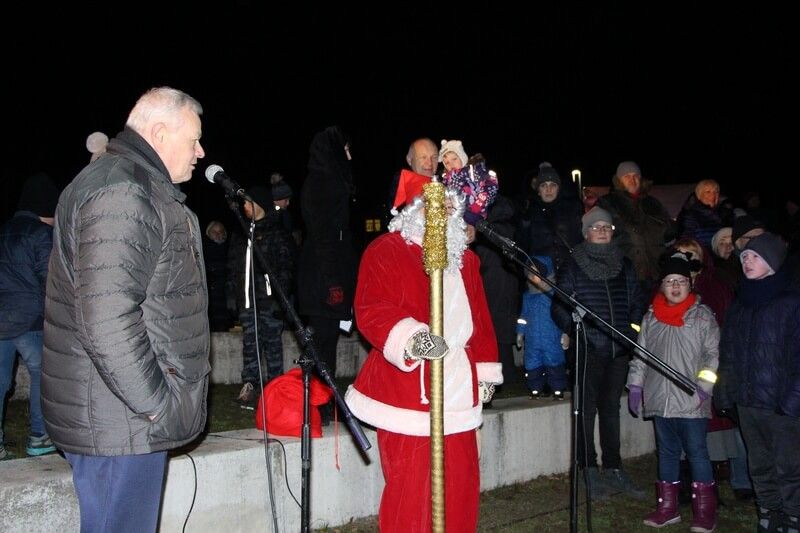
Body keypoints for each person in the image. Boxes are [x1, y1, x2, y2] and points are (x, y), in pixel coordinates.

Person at [42, 87, 210, 533]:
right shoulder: (123, 191)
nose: (200, 151)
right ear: (158, 132)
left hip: (119, 415)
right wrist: (157, 405)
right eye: (193, 139)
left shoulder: (132, 183)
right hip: (121, 421)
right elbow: (108, 319)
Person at [345, 171, 502, 532]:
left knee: (461, 485)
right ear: (415, 210)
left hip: (460, 387)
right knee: (411, 491)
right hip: (408, 389)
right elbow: (370, 308)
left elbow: (481, 320)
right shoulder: (386, 249)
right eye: (437, 207)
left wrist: (485, 373)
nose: (445, 213)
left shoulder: (467, 261)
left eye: (450, 207)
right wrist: (412, 337)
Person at [551, 206, 647, 500]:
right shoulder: (573, 264)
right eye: (596, 226)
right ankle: (588, 469)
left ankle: (614, 468)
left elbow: (635, 304)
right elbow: (558, 307)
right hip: (588, 350)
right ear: (586, 232)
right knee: (585, 410)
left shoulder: (625, 265)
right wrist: (579, 332)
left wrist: (630, 333)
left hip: (618, 350)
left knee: (611, 410)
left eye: (607, 226)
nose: (603, 230)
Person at [627, 252, 720, 531]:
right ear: (662, 285)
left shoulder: (702, 316)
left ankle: (705, 511)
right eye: (670, 281)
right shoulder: (651, 317)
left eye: (681, 281)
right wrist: (636, 385)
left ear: (690, 284)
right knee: (666, 454)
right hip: (660, 399)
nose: (676, 286)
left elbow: (711, 355)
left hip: (691, 400)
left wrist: (703, 388)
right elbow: (640, 356)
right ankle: (667, 508)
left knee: (697, 453)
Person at [715, 232, 800, 533]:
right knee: (759, 465)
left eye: (754, 257)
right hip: (748, 401)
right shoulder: (741, 303)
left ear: (772, 262)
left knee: (788, 467)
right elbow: (729, 352)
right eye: (745, 257)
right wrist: (725, 390)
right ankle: (768, 513)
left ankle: (793, 517)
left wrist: (790, 403)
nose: (747, 262)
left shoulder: (791, 303)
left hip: (780, 406)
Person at [297, 125, 357, 424]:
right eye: (345, 149)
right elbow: (325, 237)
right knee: (322, 343)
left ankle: (323, 404)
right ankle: (318, 405)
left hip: (328, 275)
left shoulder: (331, 181)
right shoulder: (322, 182)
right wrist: (333, 281)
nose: (349, 155)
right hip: (322, 278)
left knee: (327, 343)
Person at [0, 172, 60, 460]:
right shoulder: (41, 234)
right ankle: (39, 436)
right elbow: (50, 280)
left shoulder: (3, 230)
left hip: (1, 320)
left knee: (0, 382)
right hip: (30, 320)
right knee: (42, 376)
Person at [227, 184, 296, 405]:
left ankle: (276, 390)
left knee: (272, 344)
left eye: (248, 202)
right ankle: (251, 387)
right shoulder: (241, 232)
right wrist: (233, 296)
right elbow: (234, 267)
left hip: (270, 303)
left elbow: (286, 270)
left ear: (260, 204)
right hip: (247, 302)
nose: (245, 206)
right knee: (250, 343)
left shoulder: (276, 232)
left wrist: (280, 301)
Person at [598, 161, 676, 306]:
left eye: (636, 176)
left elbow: (670, 234)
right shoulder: (607, 203)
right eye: (627, 176)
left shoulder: (653, 203)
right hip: (627, 275)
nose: (632, 180)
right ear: (618, 180)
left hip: (656, 274)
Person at [516, 255, 568, 399]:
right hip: (532, 340)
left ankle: (557, 390)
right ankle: (535, 389)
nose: (533, 276)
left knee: (554, 364)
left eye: (537, 272)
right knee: (533, 365)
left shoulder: (555, 295)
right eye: (530, 272)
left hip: (552, 337)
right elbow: (523, 316)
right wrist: (520, 333)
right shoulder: (528, 296)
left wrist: (565, 333)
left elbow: (563, 315)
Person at [385, 137, 439, 224]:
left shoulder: (447, 181)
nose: (429, 163)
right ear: (409, 160)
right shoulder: (403, 181)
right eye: (423, 157)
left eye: (434, 157)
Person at [203, 220, 234, 332]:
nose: (218, 234)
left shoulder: (231, 249)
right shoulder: (203, 250)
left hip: (228, 294)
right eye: (214, 232)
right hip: (210, 295)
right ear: (208, 233)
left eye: (220, 231)